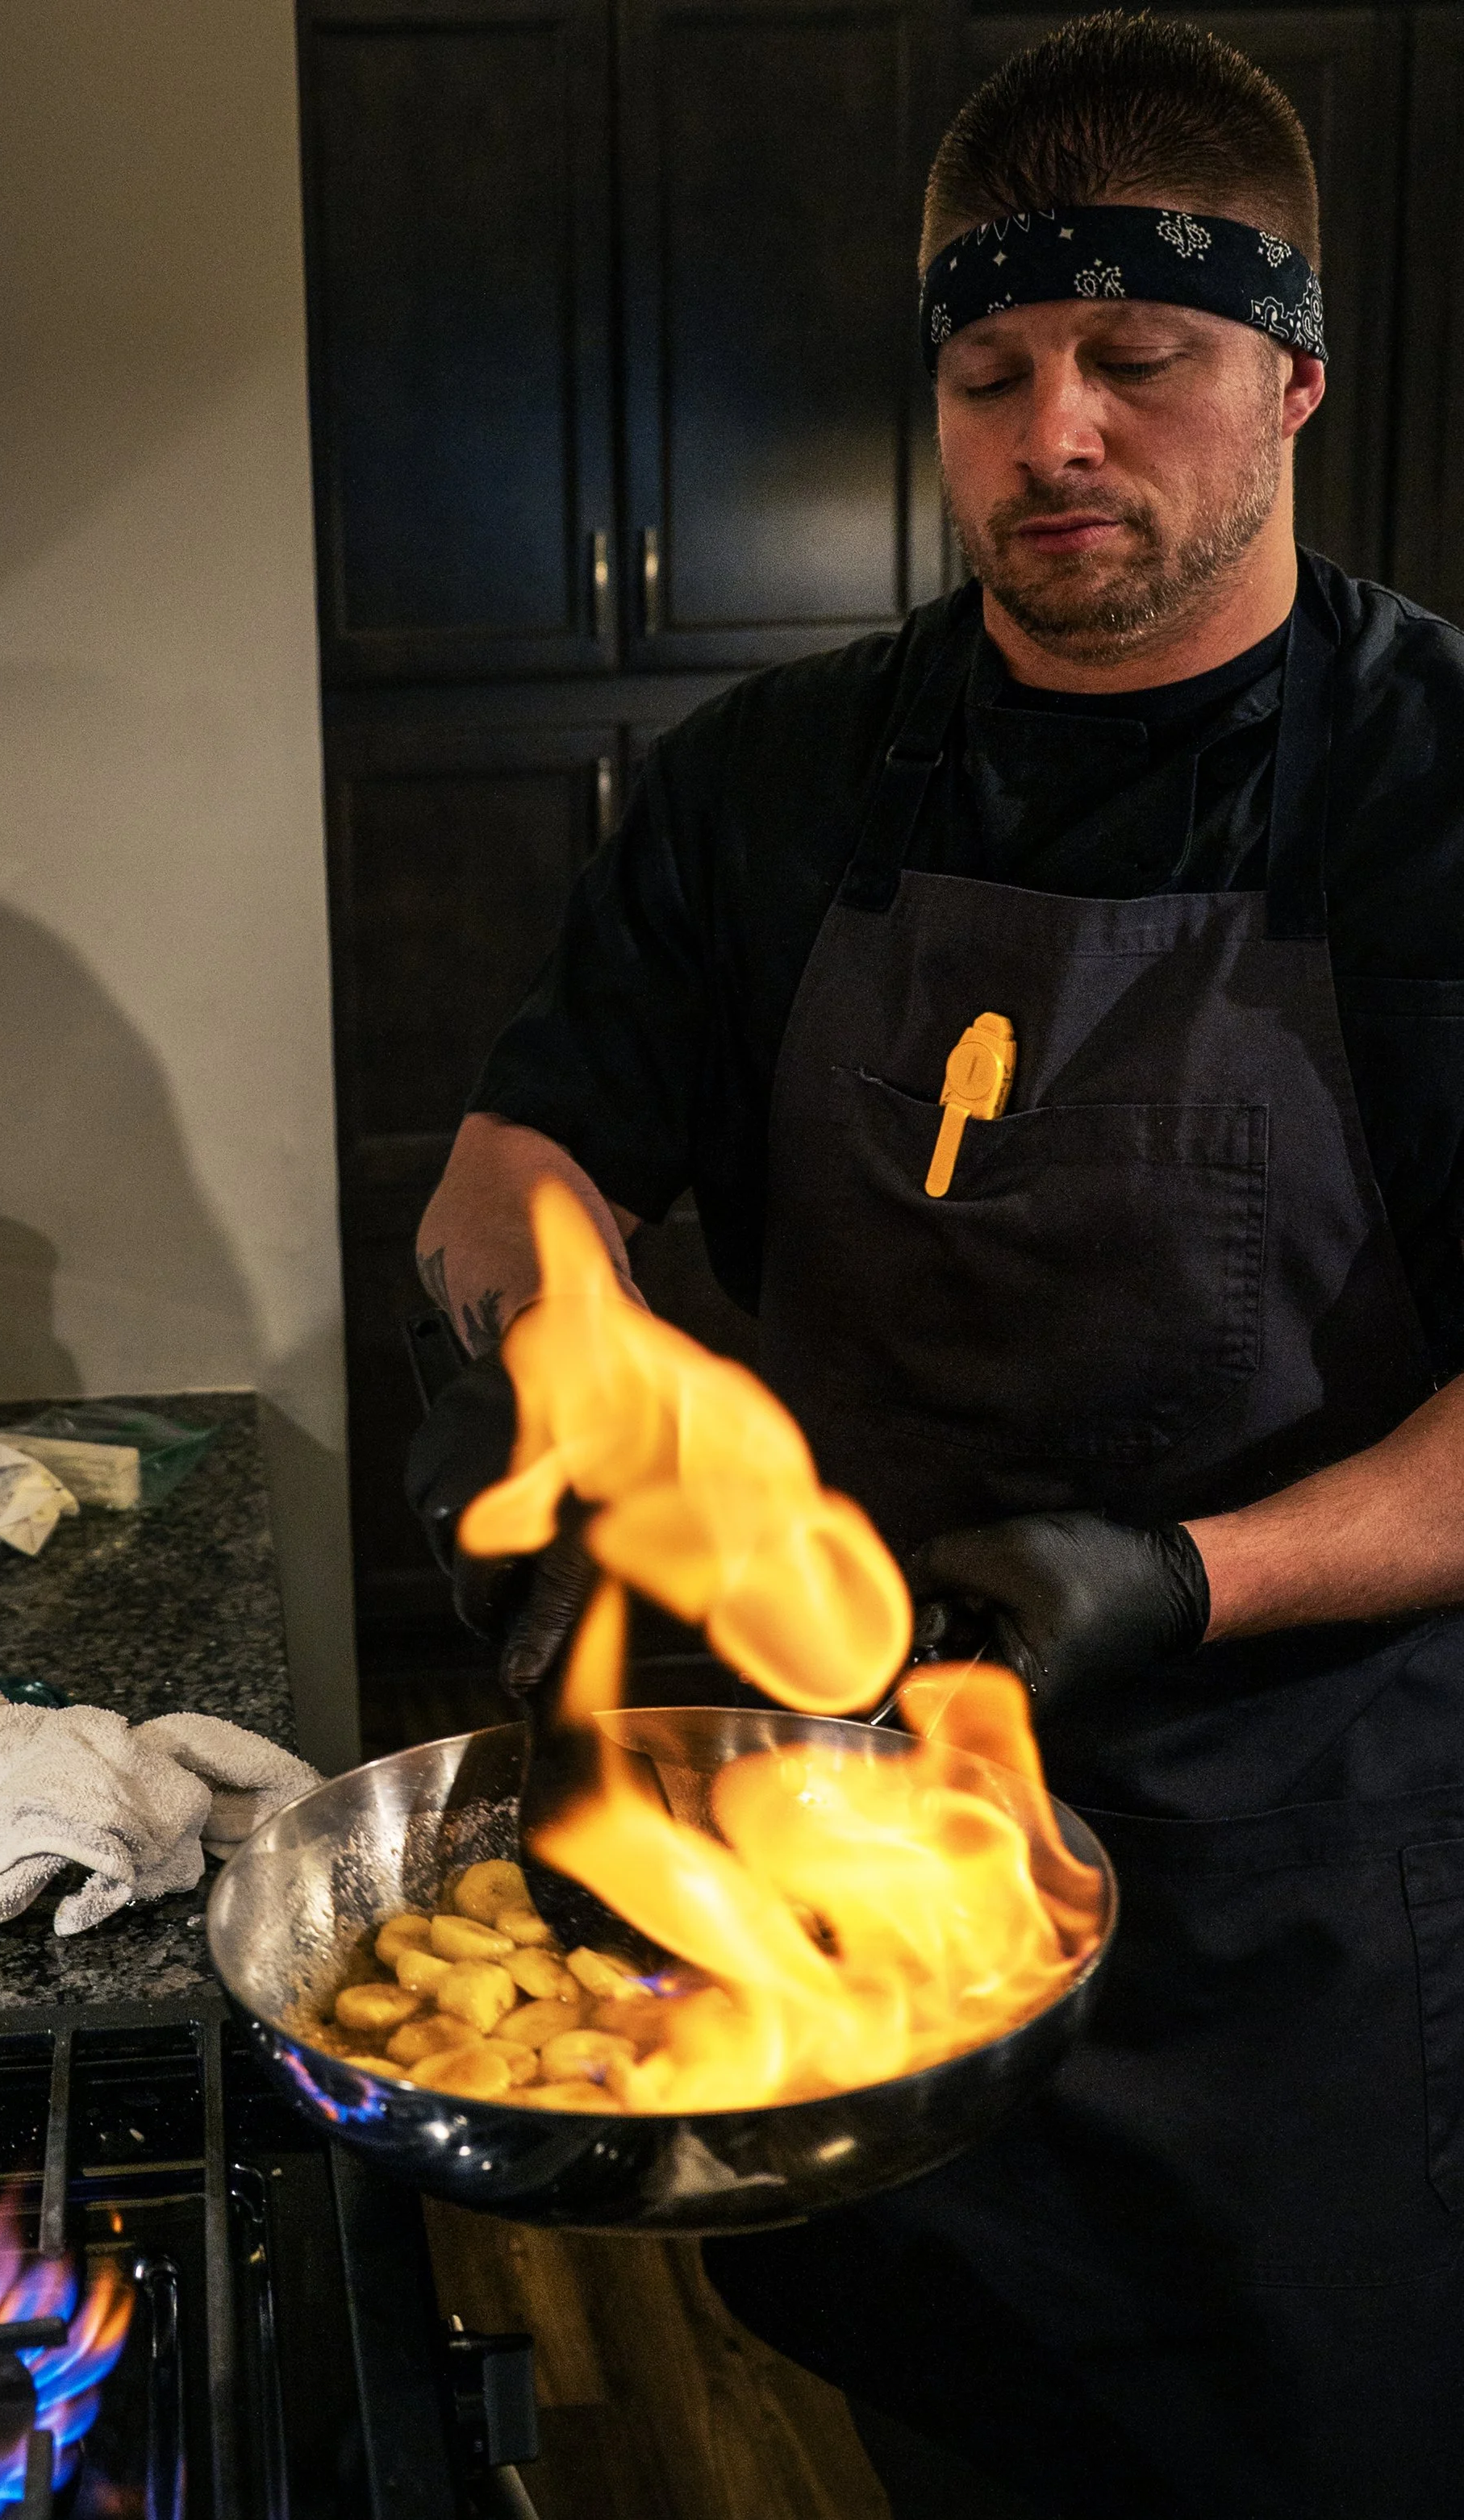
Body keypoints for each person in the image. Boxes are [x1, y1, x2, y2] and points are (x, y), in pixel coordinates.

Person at [403, 13, 1464, 2516]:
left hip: (1301, 1883)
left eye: (1136, 356)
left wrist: (1173, 1577)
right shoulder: (769, 784)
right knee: (936, 2434)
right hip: (856, 1834)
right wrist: (569, 1398)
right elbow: (503, 1172)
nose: (1053, 429)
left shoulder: (1433, 791)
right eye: (990, 369)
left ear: (1290, 376)